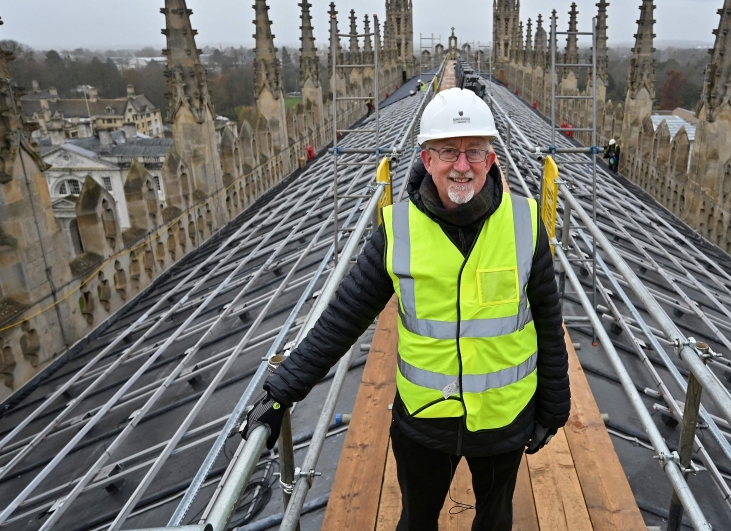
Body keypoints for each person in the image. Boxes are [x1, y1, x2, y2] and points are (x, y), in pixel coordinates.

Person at [243, 88, 569, 531]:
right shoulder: (398, 230)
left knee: (494, 521)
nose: (461, 165)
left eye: (474, 151)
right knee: (416, 521)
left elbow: (549, 323)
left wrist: (554, 407)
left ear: (491, 160)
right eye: (447, 152)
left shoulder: (525, 222)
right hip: (425, 423)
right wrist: (282, 391)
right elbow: (342, 320)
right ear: (426, 158)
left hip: (503, 419)